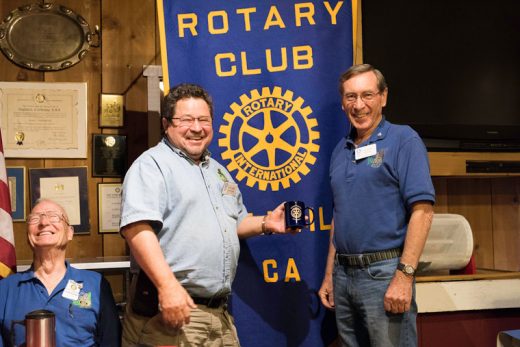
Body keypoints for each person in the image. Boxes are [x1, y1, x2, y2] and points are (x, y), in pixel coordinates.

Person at [120, 83, 297, 346]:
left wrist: (264, 223)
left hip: (219, 315)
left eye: (204, 119)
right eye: (186, 120)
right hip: (172, 313)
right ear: (167, 124)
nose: (197, 127)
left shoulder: (217, 171)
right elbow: (137, 229)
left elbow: (234, 222)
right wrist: (168, 287)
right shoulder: (151, 165)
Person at [318, 64, 435, 347]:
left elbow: (423, 211)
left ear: (383, 97)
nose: (359, 105)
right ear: (343, 103)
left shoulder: (404, 140)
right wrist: (330, 275)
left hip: (384, 274)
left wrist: (404, 276)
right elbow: (340, 215)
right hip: (343, 276)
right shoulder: (339, 150)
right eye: (350, 97)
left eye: (367, 95)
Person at [0, 199, 121, 347]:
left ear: (69, 233)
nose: (44, 222)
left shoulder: (96, 284)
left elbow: (111, 341)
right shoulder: (5, 289)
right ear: (27, 234)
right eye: (35, 218)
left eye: (54, 216)